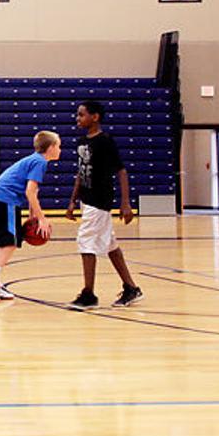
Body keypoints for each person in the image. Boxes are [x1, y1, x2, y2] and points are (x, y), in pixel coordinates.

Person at [66, 101, 142, 309]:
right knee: (110, 245)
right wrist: (72, 200)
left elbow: (122, 171)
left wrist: (125, 203)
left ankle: (88, 294)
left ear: (95, 117)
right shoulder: (81, 141)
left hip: (99, 200)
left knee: (86, 241)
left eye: (81, 115)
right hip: (86, 199)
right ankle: (131, 288)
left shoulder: (105, 141)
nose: (77, 118)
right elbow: (81, 173)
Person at [0, 131, 57, 302]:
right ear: (50, 147)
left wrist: (32, 217)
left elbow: (33, 191)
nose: (60, 150)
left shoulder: (34, 160)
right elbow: (30, 192)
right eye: (58, 146)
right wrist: (42, 219)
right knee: (10, 241)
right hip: (5, 199)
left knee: (5, 241)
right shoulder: (39, 162)